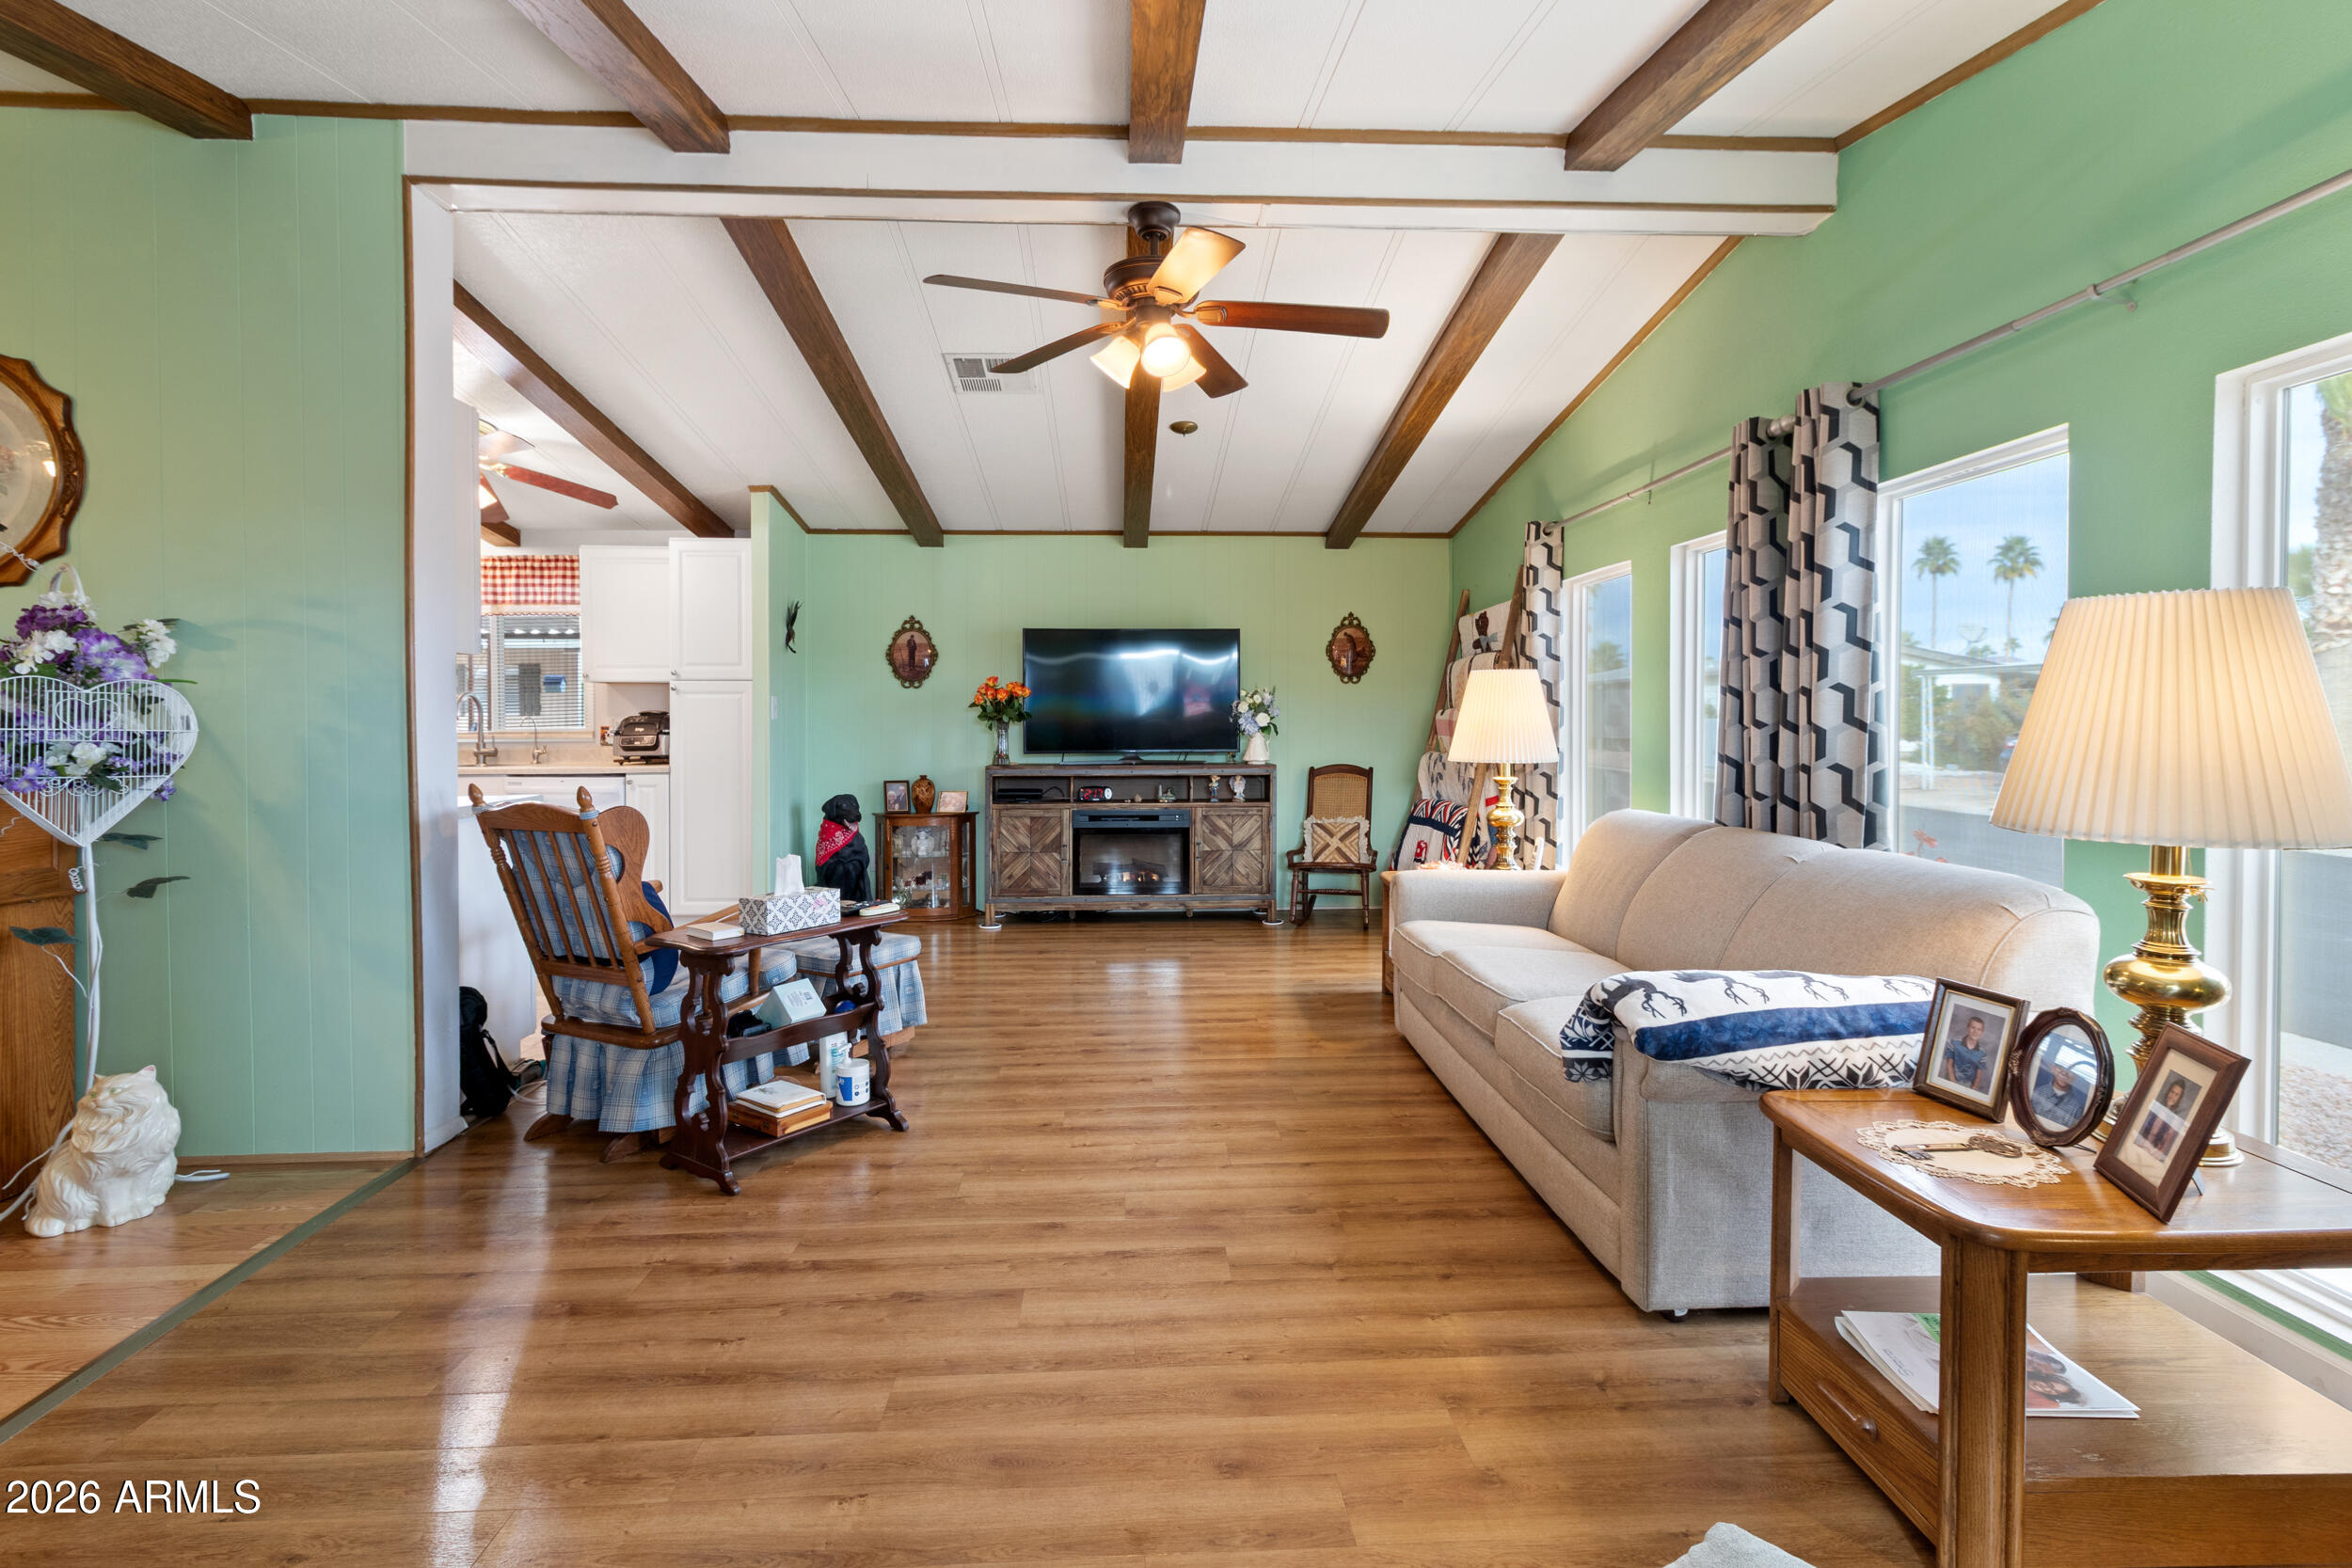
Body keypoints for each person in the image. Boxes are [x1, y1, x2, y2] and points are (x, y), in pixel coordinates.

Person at [2030, 1057, 2090, 1129]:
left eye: (2071, 1071)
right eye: (2061, 1066)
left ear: (2076, 1076)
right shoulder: (2036, 1093)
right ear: (2053, 1068)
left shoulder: (2077, 1109)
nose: (2064, 1073)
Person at [1939, 1013, 1993, 1092]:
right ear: (1967, 1028)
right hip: (1950, 1081)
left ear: (1982, 1032)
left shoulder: (1982, 1053)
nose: (1975, 1031)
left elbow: (1979, 1075)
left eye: (1979, 1029)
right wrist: (1953, 1084)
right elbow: (1949, 1065)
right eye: (1973, 1027)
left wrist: (1972, 1090)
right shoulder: (1954, 1043)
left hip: (1968, 1086)